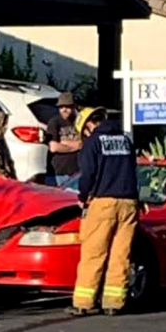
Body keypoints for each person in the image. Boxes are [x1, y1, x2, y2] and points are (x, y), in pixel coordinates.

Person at [66, 106, 139, 317]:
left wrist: (82, 196)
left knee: (94, 253)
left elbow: (88, 174)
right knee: (121, 254)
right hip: (129, 202)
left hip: (103, 202)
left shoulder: (93, 142)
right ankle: (114, 302)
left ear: (88, 124)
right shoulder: (126, 140)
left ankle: (83, 302)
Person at [45, 92, 81, 186]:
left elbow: (85, 143)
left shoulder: (80, 122)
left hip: (79, 170)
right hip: (61, 171)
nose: (64, 109)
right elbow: (53, 147)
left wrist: (64, 143)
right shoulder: (54, 122)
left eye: (67, 107)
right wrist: (76, 146)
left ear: (73, 107)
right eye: (61, 107)